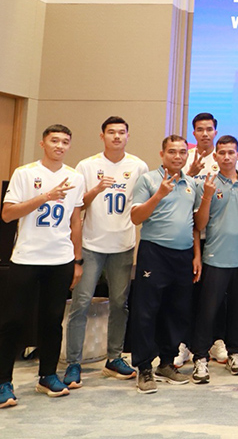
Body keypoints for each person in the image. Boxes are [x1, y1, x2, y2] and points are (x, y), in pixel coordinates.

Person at [0, 125, 86, 409]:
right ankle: (2, 383)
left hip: (60, 259)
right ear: (42, 143)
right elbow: (8, 214)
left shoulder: (76, 177)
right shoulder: (25, 173)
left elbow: (75, 221)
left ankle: (47, 375)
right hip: (27, 258)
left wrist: (78, 260)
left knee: (52, 320)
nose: (59, 145)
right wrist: (44, 196)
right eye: (54, 140)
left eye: (65, 142)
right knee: (14, 320)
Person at [63, 117, 148, 389]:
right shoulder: (87, 166)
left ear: (127, 136)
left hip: (123, 246)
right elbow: (78, 205)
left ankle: (114, 358)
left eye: (121, 132)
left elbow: (141, 205)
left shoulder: (138, 166)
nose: (116, 137)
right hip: (91, 245)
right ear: (102, 136)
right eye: (111, 132)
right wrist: (96, 190)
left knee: (119, 304)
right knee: (81, 303)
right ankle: (73, 363)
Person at [129, 135, 203, 393]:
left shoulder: (192, 183)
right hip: (155, 253)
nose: (178, 156)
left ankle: (167, 363)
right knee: (147, 311)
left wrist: (196, 255)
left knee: (177, 310)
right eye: (172, 152)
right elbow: (136, 217)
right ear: (162, 154)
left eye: (182, 152)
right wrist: (159, 194)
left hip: (182, 256)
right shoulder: (148, 180)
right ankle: (144, 367)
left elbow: (194, 225)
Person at [191, 136, 238, 384]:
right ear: (216, 156)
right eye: (222, 153)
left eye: (231, 152)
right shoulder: (205, 185)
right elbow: (198, 225)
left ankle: (235, 353)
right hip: (214, 258)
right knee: (208, 311)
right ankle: (200, 357)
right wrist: (208, 196)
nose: (227, 157)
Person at [178, 112, 223, 367]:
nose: (205, 133)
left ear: (215, 131)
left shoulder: (224, 159)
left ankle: (215, 341)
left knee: (215, 295)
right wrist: (190, 172)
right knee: (188, 293)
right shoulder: (183, 160)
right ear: (193, 132)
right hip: (189, 237)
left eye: (209, 129)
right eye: (200, 129)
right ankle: (184, 344)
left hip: (216, 239)